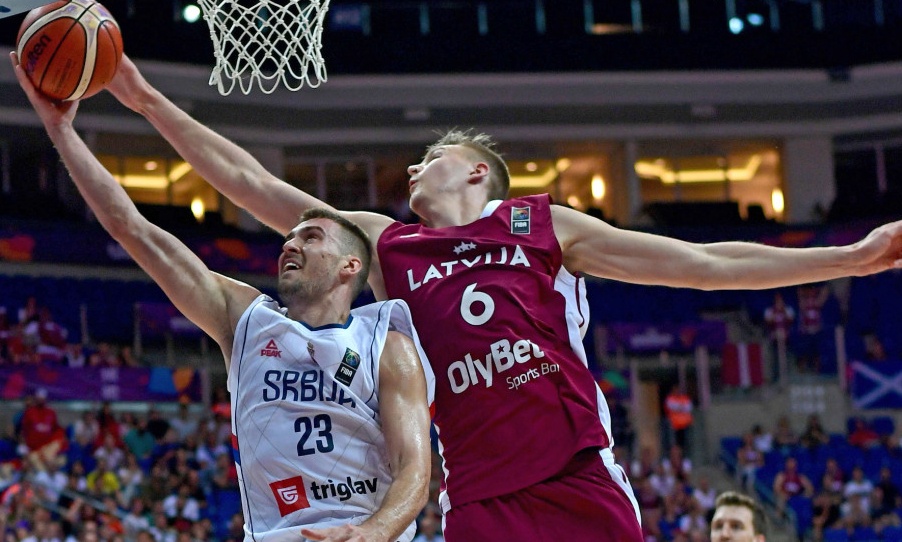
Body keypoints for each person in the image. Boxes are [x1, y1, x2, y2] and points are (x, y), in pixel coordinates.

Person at [104, 55, 902, 541]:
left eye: (431, 156)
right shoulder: (392, 248)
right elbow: (253, 184)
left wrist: (851, 258)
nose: (414, 168)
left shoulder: (543, 226)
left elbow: (701, 263)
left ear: (477, 170)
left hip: (576, 478)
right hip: (483, 502)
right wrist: (140, 97)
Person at [13, 53, 434, 542]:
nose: (289, 243)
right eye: (290, 236)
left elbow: (414, 469)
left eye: (311, 236)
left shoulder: (386, 343)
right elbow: (132, 228)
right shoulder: (247, 320)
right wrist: (60, 131)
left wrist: (374, 533)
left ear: (350, 266)